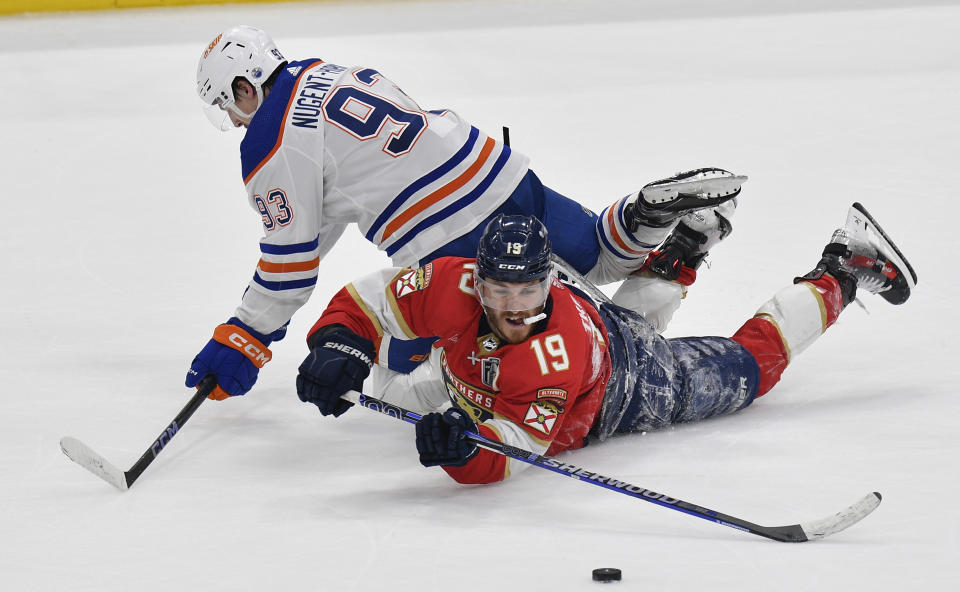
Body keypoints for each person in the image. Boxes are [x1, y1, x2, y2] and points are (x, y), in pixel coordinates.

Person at [185, 24, 742, 401]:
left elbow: (290, 263)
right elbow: (322, 214)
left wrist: (242, 334)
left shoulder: (271, 140)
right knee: (600, 255)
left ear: (244, 85)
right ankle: (654, 223)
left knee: (407, 383)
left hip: (447, 237)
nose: (233, 120)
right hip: (497, 170)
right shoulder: (329, 74)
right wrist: (257, 331)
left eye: (227, 105)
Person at [294, 205, 915, 484]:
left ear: (549, 281)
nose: (513, 306)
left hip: (621, 384)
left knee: (748, 369)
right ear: (475, 279)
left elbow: (511, 450)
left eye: (529, 289)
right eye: (499, 289)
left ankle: (841, 267)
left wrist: (464, 451)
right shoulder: (449, 284)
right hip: (479, 373)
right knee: (381, 385)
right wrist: (338, 345)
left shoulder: (549, 358)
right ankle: (681, 251)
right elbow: (369, 303)